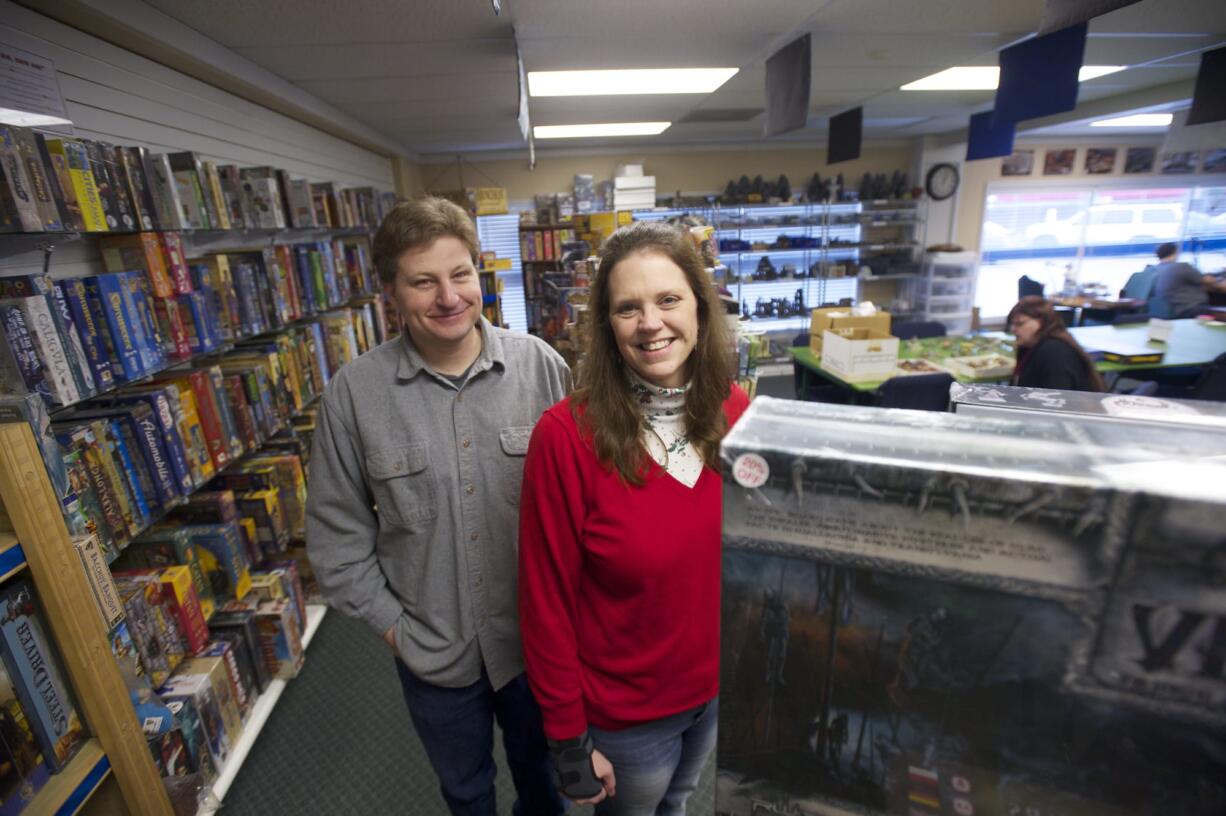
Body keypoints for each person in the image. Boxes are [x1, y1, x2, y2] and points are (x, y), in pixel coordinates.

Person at [305, 196, 570, 816]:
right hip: (434, 654)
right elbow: (336, 539)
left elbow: (588, 507)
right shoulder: (354, 396)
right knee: (466, 792)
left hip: (540, 648)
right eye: (424, 281)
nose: (449, 297)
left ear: (480, 274)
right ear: (391, 292)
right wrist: (397, 629)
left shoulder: (542, 368)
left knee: (546, 784)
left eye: (460, 274)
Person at [518, 220, 750, 815]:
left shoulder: (735, 408)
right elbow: (544, 602)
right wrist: (567, 738)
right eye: (628, 308)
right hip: (628, 718)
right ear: (606, 327)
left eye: (669, 299)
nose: (651, 323)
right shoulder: (565, 437)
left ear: (700, 308)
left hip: (714, 692)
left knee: (675, 807)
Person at [1008, 295, 1106, 392]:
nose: (1012, 329)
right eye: (1012, 324)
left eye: (1020, 323)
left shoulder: (1054, 351)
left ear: (1041, 322)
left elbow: (1054, 399)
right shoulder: (1029, 347)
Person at [1151, 242, 1226, 318]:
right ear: (1175, 252)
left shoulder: (1154, 269)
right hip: (1189, 309)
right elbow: (1208, 280)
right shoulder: (1181, 267)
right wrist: (1219, 282)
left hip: (1166, 311)